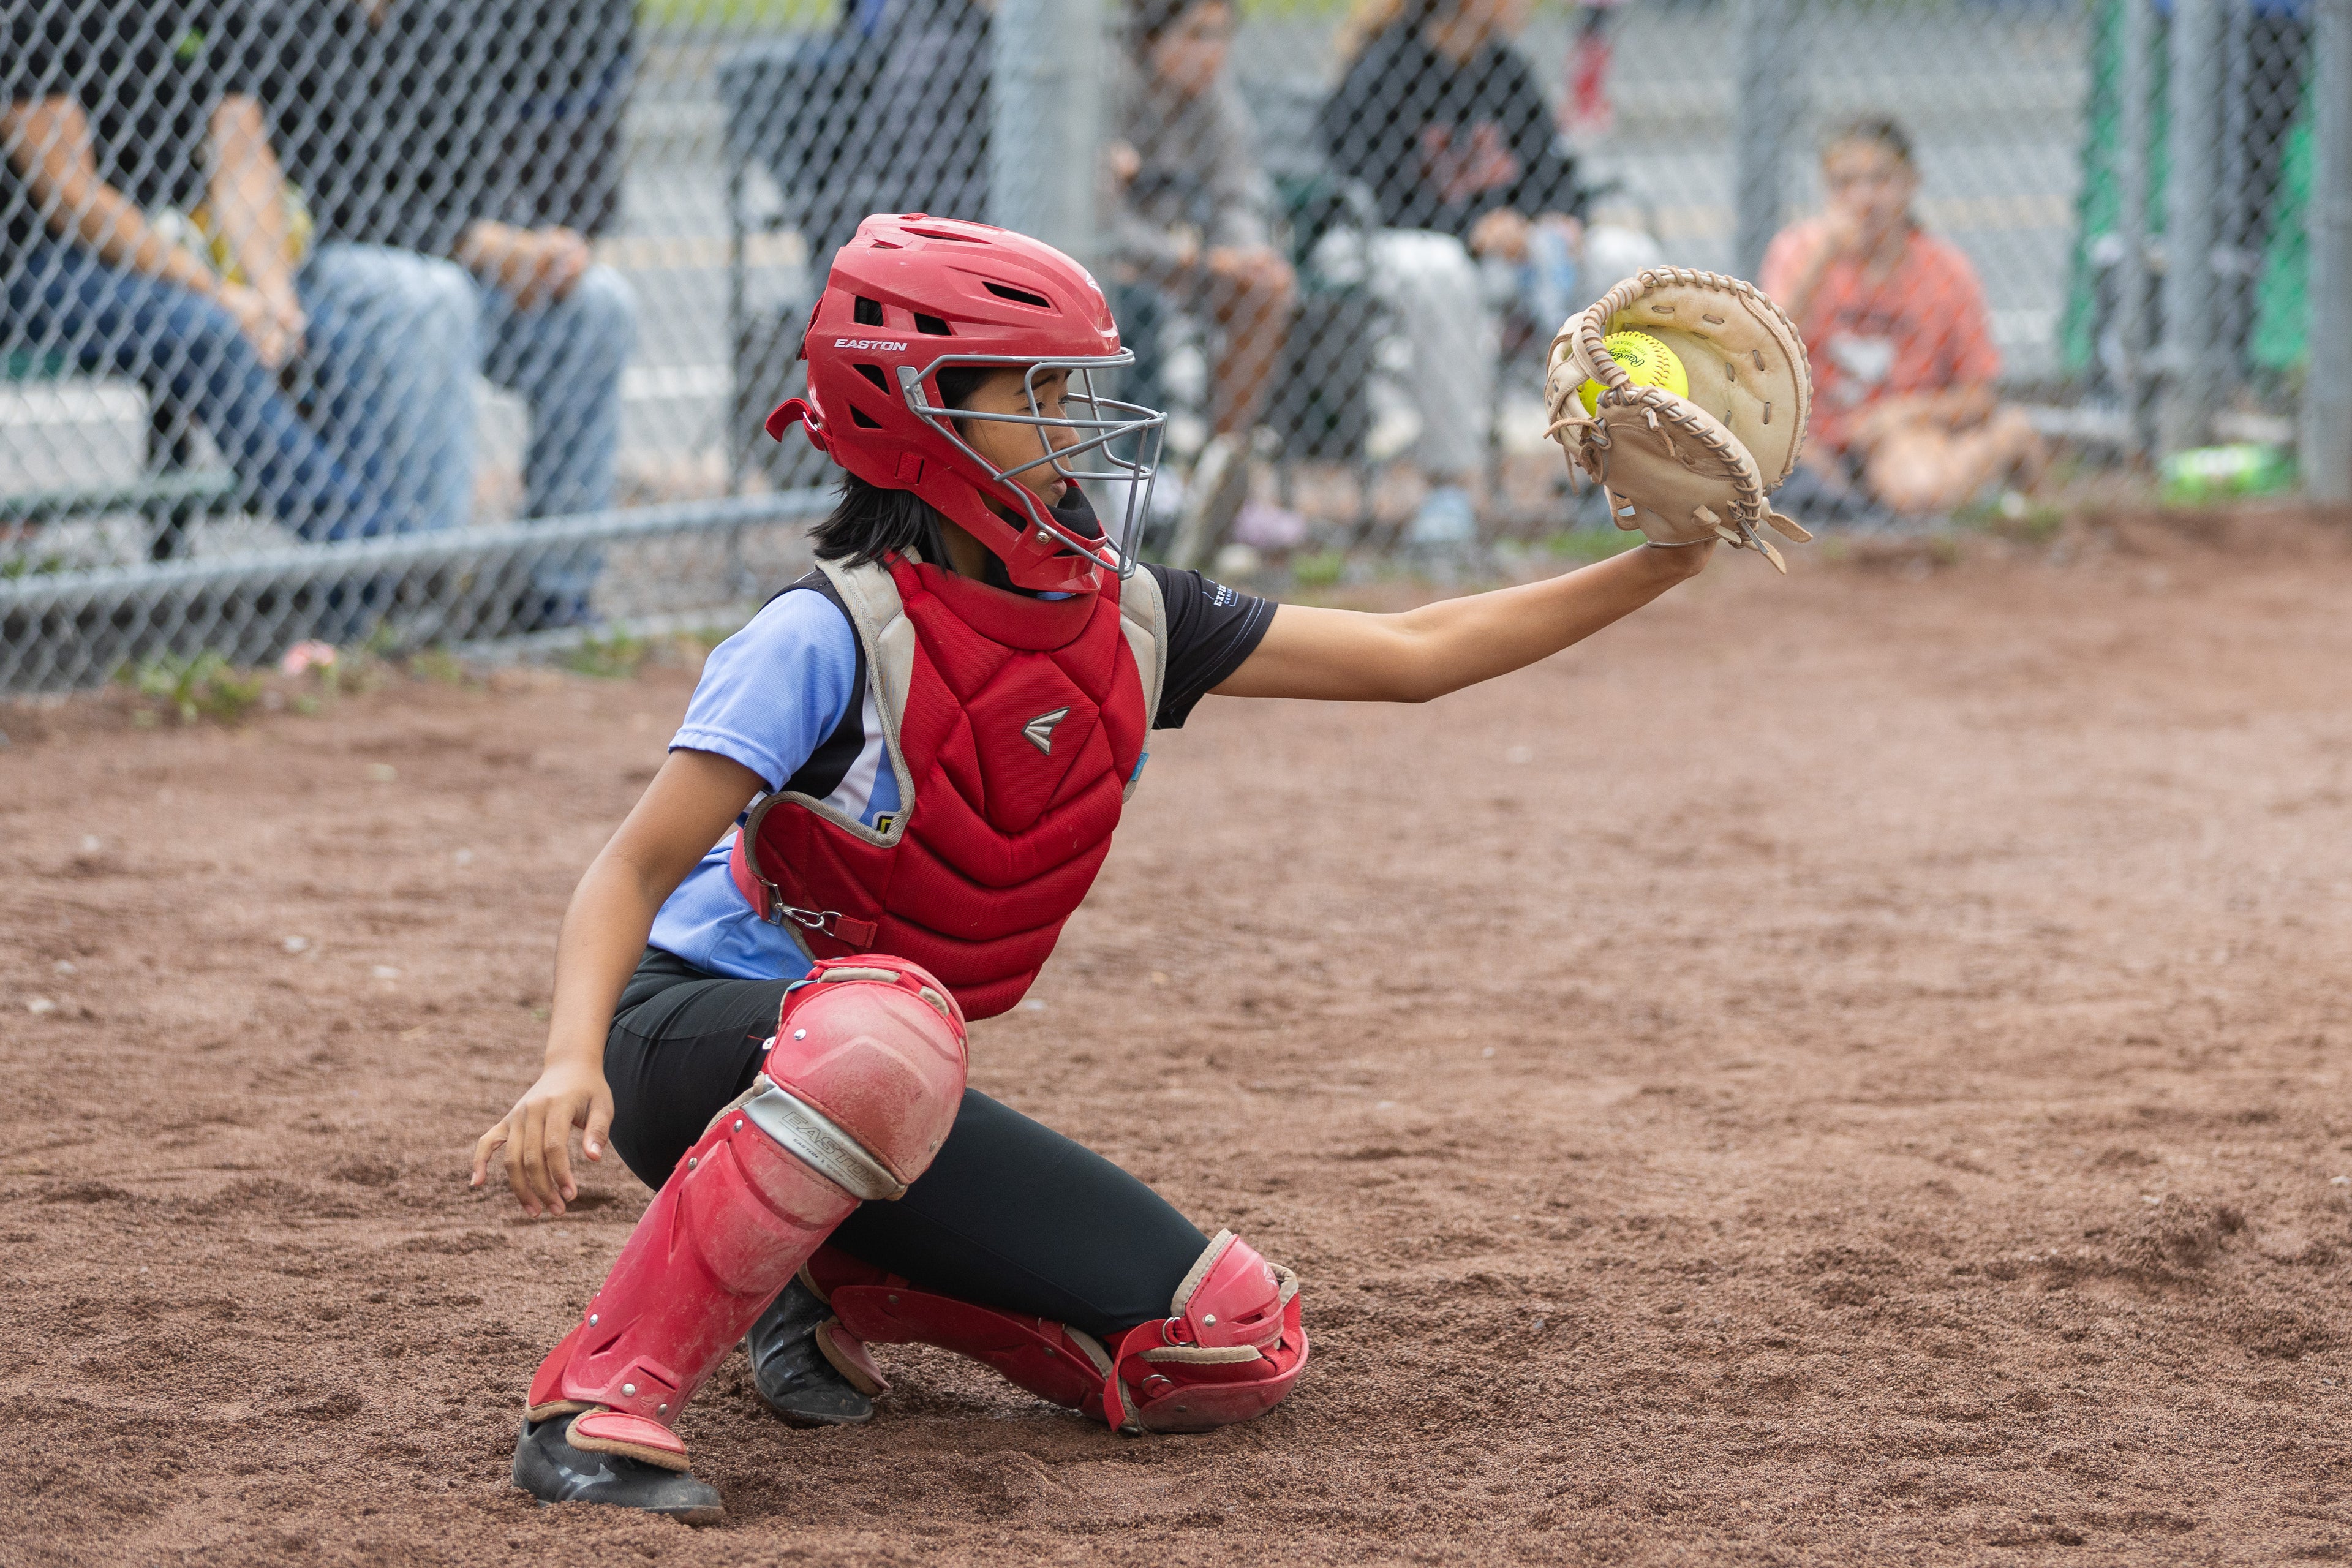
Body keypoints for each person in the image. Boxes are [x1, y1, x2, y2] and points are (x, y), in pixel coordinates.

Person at [470, 214, 1722, 1523]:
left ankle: (826, 1275)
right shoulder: (825, 629)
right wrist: (566, 1061)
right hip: (687, 1039)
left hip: (875, 1079)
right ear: (914, 409)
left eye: (1072, 389)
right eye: (1037, 393)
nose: (1075, 423)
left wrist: (1665, 559)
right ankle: (596, 1401)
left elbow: (1417, 653)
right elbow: (633, 869)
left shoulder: (1124, 615)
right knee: (883, 1031)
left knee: (1227, 1342)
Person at [0, 1, 392, 544]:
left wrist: (275, 300)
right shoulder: (35, 11)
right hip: (44, 265)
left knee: (335, 340)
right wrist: (221, 295)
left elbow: (242, 160)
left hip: (181, 255)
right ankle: (374, 551)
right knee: (209, 334)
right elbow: (73, 196)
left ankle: (365, 576)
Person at [260, 0, 639, 553]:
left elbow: (479, 179)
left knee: (600, 305)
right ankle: (428, 573)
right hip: (317, 266)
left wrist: (533, 249)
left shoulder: (439, 19)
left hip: (444, 261)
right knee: (440, 299)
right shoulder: (286, 22)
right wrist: (472, 243)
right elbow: (326, 206)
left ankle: (558, 581)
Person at [1319, 0, 1587, 544]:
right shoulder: (1388, 68)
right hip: (1378, 244)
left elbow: (1552, 173)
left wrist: (1556, 219)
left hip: (1493, 251)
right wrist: (1473, 228)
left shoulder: (1505, 68)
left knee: (1617, 251)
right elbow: (1371, 192)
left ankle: (1617, 465)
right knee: (1442, 269)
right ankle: (1451, 487)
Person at [1759, 116, 2042, 519]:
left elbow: (1979, 397)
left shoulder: (1945, 270)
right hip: (1809, 435)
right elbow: (1763, 352)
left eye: (1880, 180)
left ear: (1911, 183)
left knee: (1917, 492)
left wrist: (1905, 413)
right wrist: (1822, 258)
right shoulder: (1797, 252)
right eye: (1844, 184)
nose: (1864, 198)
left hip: (1899, 437)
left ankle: (2007, 438)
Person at [1104, 0, 1295, 565]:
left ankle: (1220, 483)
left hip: (1195, 264)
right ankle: (1140, 479)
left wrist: (1246, 253)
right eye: (1196, 34)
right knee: (1126, 286)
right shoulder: (1110, 83)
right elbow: (1101, 223)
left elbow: (1239, 191)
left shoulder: (1214, 96)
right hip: (1123, 264)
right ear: (1152, 37)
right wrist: (1194, 258)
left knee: (1270, 290)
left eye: (1222, 34)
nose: (1213, 51)